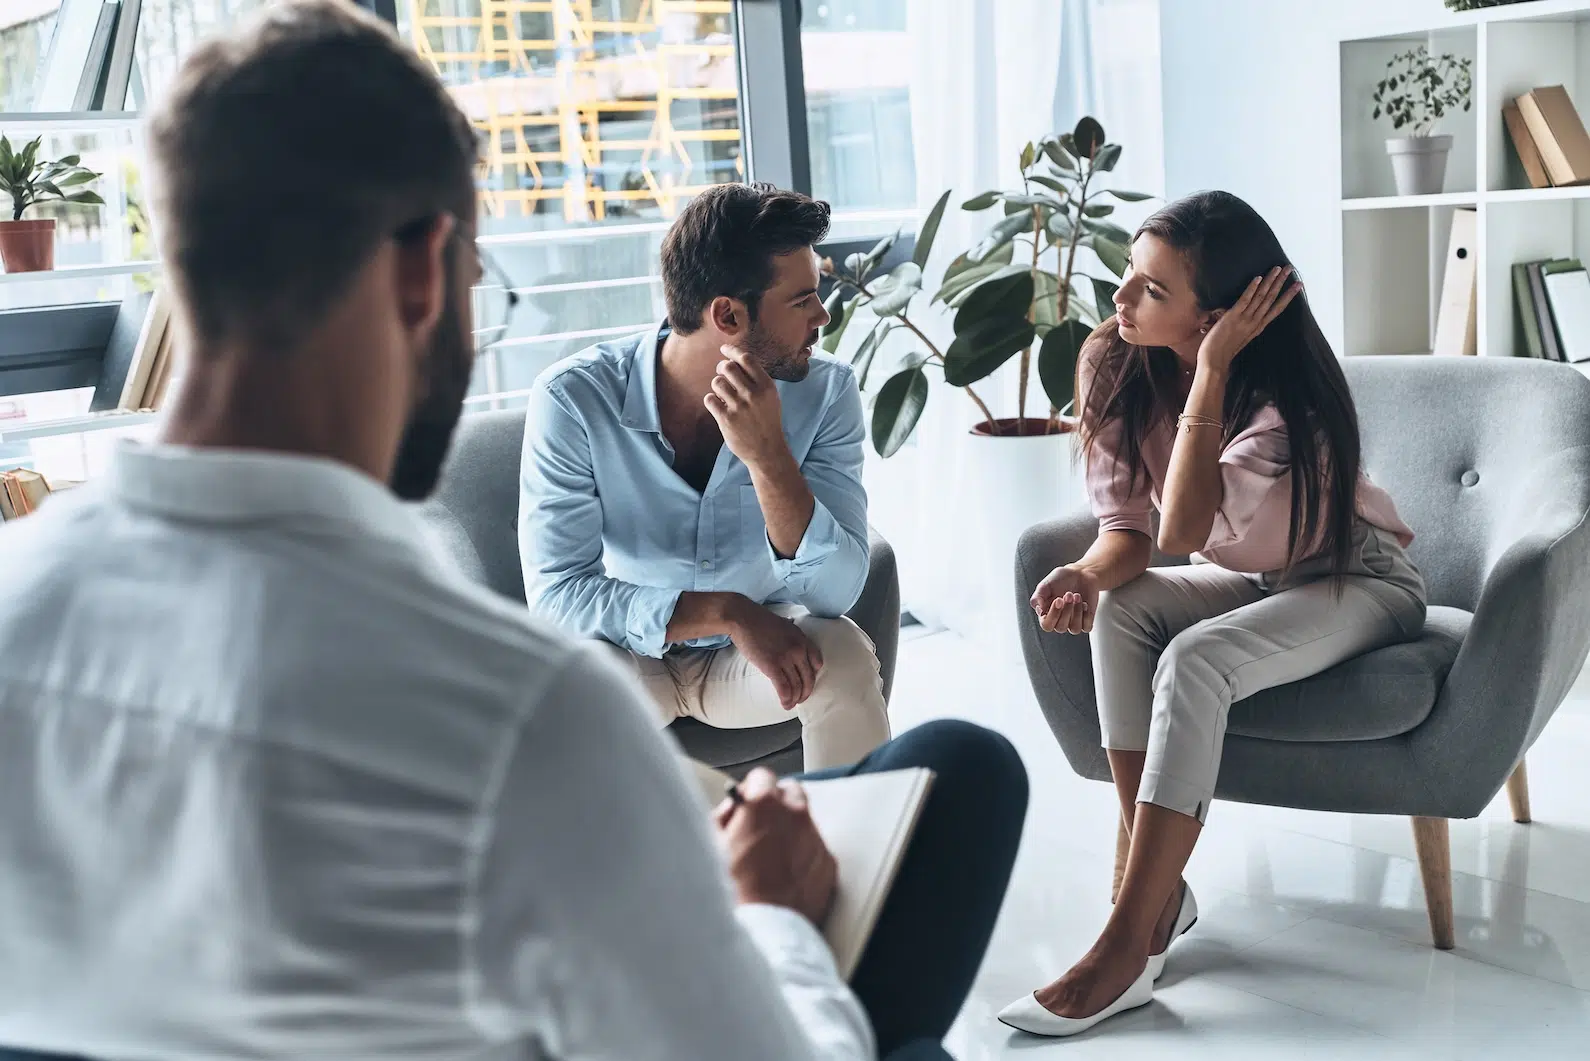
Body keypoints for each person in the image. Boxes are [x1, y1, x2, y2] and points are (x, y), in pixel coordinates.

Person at [0, 4, 1028, 1060]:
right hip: (649, 716)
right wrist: (769, 918)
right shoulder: (522, 719)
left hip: (719, 682)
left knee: (950, 761)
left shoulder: (14, 601)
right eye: (477, 278)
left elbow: (837, 575)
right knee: (963, 829)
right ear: (421, 270)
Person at [998, 191, 1426, 1038]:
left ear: (1219, 318)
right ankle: (1157, 901)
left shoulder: (1284, 403)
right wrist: (1085, 570)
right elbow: (1132, 534)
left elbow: (1186, 527)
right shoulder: (1111, 362)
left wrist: (1214, 370)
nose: (1121, 299)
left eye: (1153, 291)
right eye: (1130, 272)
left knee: (1195, 659)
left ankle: (1125, 942)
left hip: (1360, 580)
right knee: (1123, 607)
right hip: (1265, 583)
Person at [519, 182, 892, 771]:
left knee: (842, 655)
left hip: (753, 665)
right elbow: (557, 595)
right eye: (801, 302)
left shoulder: (827, 392)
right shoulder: (573, 400)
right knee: (570, 684)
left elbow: (837, 591)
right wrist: (727, 612)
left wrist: (769, 459)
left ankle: (865, 851)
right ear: (727, 314)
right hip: (634, 655)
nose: (823, 317)